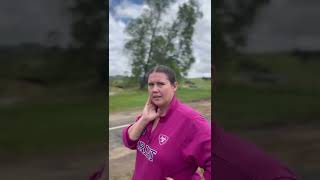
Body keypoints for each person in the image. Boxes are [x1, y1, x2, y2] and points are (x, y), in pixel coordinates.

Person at [122, 65, 211, 180]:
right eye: (151, 85)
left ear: (174, 86)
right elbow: (129, 141)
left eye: (160, 84)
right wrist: (144, 119)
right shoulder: (150, 113)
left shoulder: (191, 121)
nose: (154, 89)